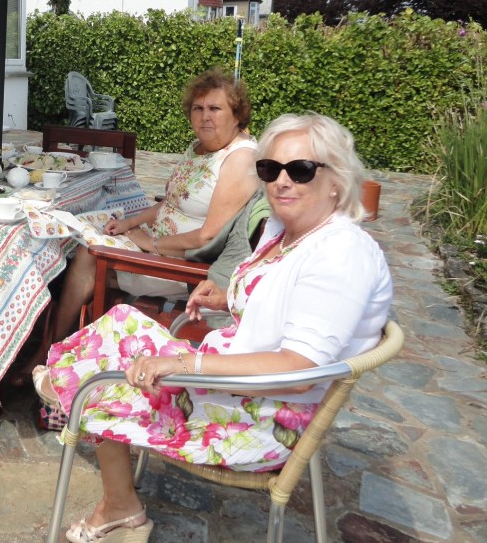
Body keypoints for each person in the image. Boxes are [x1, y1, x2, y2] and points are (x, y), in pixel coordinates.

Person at [38, 113, 393, 542]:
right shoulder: (288, 230)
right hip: (237, 379)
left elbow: (299, 370)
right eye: (270, 169)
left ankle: (101, 466)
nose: (281, 182)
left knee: (103, 382)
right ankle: (81, 414)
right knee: (121, 324)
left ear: (337, 180)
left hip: (260, 416)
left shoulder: (340, 254)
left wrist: (185, 364)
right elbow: (288, 301)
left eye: (300, 170)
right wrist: (228, 297)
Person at [48, 69, 260, 354]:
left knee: (88, 256)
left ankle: (52, 348)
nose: (205, 116)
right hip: (158, 250)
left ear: (237, 115)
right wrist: (129, 224)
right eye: (198, 108)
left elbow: (208, 236)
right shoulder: (200, 148)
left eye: (215, 108)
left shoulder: (239, 159)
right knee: (83, 237)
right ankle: (71, 341)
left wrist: (151, 244)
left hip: (182, 268)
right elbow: (172, 203)